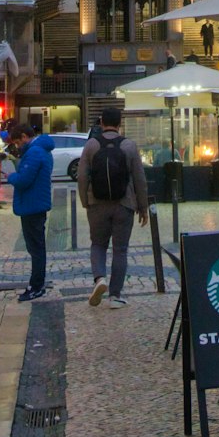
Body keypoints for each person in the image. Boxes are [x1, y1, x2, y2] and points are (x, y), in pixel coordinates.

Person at [78, 106, 148, 309]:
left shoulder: (91, 145)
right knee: (120, 250)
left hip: (97, 204)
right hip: (123, 204)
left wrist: (86, 201)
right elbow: (139, 179)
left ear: (101, 123)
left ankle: (100, 278)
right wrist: (142, 207)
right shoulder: (129, 146)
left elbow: (82, 176)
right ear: (120, 124)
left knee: (98, 244)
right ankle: (115, 296)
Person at [6, 122, 55, 301]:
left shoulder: (34, 152)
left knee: (36, 248)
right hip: (35, 204)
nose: (18, 146)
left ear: (25, 137)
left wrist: (10, 176)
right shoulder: (41, 150)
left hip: (32, 205)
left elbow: (24, 179)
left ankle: (36, 286)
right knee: (36, 247)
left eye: (18, 143)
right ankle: (37, 284)